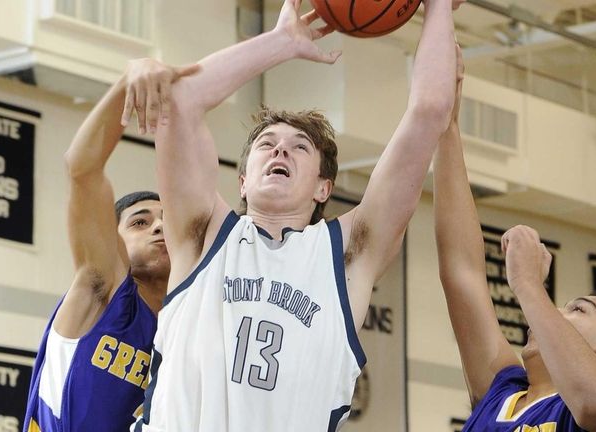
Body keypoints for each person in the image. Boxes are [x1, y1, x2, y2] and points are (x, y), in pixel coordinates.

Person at [127, 0, 462, 430]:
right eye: (267, 144)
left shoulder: (347, 253)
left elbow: (430, 111)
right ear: (243, 180)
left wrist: (436, 6)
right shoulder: (203, 236)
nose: (280, 149)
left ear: (324, 187)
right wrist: (278, 43)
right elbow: (180, 102)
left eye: (299, 147)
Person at [432, 49, 596, 432]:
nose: (554, 315)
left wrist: (528, 285)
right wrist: (445, 123)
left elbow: (595, 405)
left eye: (578, 310)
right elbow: (462, 273)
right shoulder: (502, 390)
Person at [23, 59, 198, 432]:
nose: (159, 228)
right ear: (113, 237)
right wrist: (128, 81)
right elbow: (82, 168)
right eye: (140, 221)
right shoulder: (101, 288)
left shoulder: (188, 333)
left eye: (169, 220)